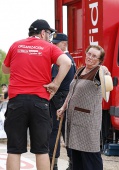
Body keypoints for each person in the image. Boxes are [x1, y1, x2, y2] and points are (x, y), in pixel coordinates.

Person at [1, 19, 71, 170]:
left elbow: (5, 70)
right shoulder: (49, 47)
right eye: (49, 33)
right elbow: (67, 62)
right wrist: (55, 84)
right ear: (42, 32)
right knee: (41, 150)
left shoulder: (16, 45)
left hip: (16, 101)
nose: (49, 37)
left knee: (14, 150)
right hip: (40, 102)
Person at [57, 45, 112, 170]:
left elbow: (104, 75)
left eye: (94, 56)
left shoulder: (98, 72)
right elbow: (72, 92)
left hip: (87, 122)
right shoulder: (80, 70)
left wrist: (104, 70)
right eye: (89, 54)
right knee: (76, 156)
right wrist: (63, 107)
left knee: (91, 155)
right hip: (74, 120)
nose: (90, 57)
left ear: (99, 60)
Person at [49, 33, 76, 170]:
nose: (53, 46)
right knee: (67, 132)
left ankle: (52, 163)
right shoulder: (71, 59)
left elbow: (54, 82)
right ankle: (72, 163)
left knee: (55, 131)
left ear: (64, 44)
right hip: (67, 97)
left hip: (58, 97)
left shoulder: (60, 60)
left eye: (56, 43)